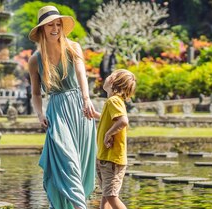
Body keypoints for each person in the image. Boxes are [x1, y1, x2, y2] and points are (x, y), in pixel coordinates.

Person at [27, 5, 97, 209]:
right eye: (50, 25)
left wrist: (86, 99)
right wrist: (39, 114)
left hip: (80, 110)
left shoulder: (73, 47)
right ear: (42, 30)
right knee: (67, 161)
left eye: (58, 24)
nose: (55, 28)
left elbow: (82, 74)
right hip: (57, 111)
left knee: (80, 165)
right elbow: (35, 93)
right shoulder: (35, 60)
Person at [93, 69, 136, 209]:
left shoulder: (113, 100)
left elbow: (123, 121)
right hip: (105, 157)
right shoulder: (112, 102)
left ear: (113, 82)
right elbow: (112, 120)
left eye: (110, 75)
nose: (106, 77)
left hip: (112, 159)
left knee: (111, 196)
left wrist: (108, 134)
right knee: (106, 195)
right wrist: (96, 115)